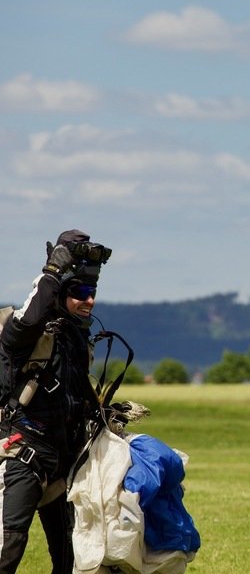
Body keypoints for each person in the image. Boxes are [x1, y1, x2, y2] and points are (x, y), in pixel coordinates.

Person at [0, 229, 112, 573]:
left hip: (63, 462)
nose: (88, 300)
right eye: (79, 292)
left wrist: (106, 416)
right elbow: (29, 318)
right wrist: (50, 272)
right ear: (59, 294)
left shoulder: (75, 339)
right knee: (8, 548)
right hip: (24, 455)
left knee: (76, 557)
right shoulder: (26, 334)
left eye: (91, 292)